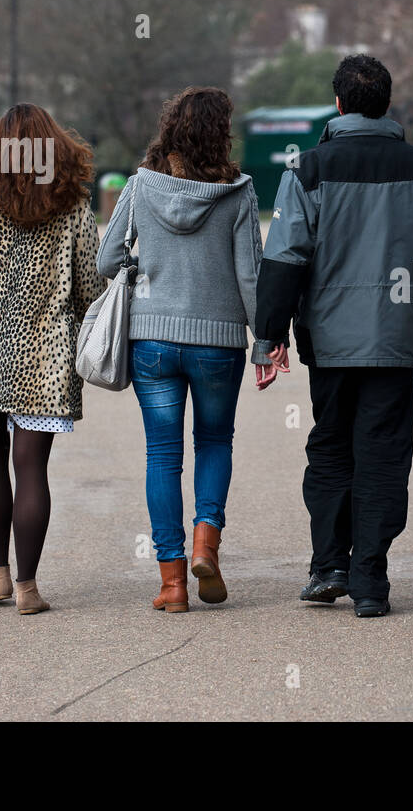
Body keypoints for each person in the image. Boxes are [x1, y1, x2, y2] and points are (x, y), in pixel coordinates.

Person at [255, 54, 413, 618]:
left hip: (329, 337)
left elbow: (285, 257)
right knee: (384, 454)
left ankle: (329, 565)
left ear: (339, 103)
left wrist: (268, 335)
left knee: (331, 446)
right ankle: (371, 579)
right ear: (386, 104)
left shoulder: (309, 169)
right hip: (396, 338)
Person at [97, 87, 277, 614]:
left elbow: (109, 259)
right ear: (221, 135)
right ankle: (206, 544)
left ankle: (172, 584)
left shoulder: (139, 185)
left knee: (161, 457)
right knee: (216, 443)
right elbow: (251, 276)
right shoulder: (239, 193)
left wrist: (144, 270)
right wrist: (265, 344)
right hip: (218, 343)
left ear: (169, 128)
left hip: (152, 339)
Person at [0, 104, 106, 615]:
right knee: (32, 468)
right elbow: (91, 287)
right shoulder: (72, 201)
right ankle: (29, 588)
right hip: (47, 358)